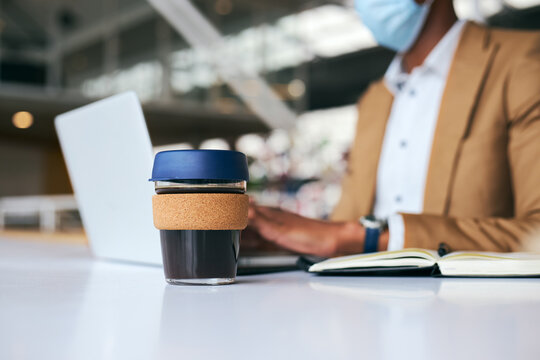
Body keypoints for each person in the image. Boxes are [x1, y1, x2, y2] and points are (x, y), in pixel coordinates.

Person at [248, 0, 540, 257]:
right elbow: (341, 228)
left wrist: (370, 238)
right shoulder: (374, 100)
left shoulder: (523, 63)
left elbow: (535, 232)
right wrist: (270, 237)